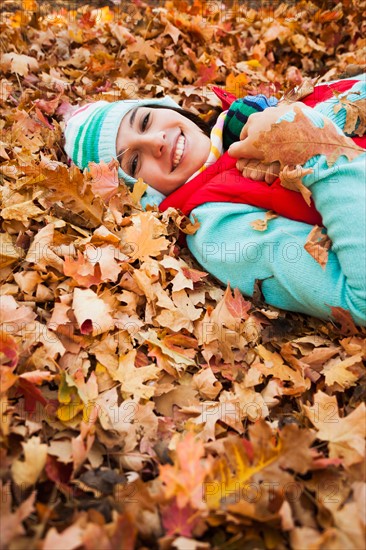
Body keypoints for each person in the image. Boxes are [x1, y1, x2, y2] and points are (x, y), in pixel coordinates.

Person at [64, 76, 366, 324]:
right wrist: (305, 144)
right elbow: (359, 299)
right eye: (133, 163)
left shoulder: (247, 117)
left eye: (144, 121)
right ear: (143, 197)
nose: (155, 141)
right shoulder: (213, 229)